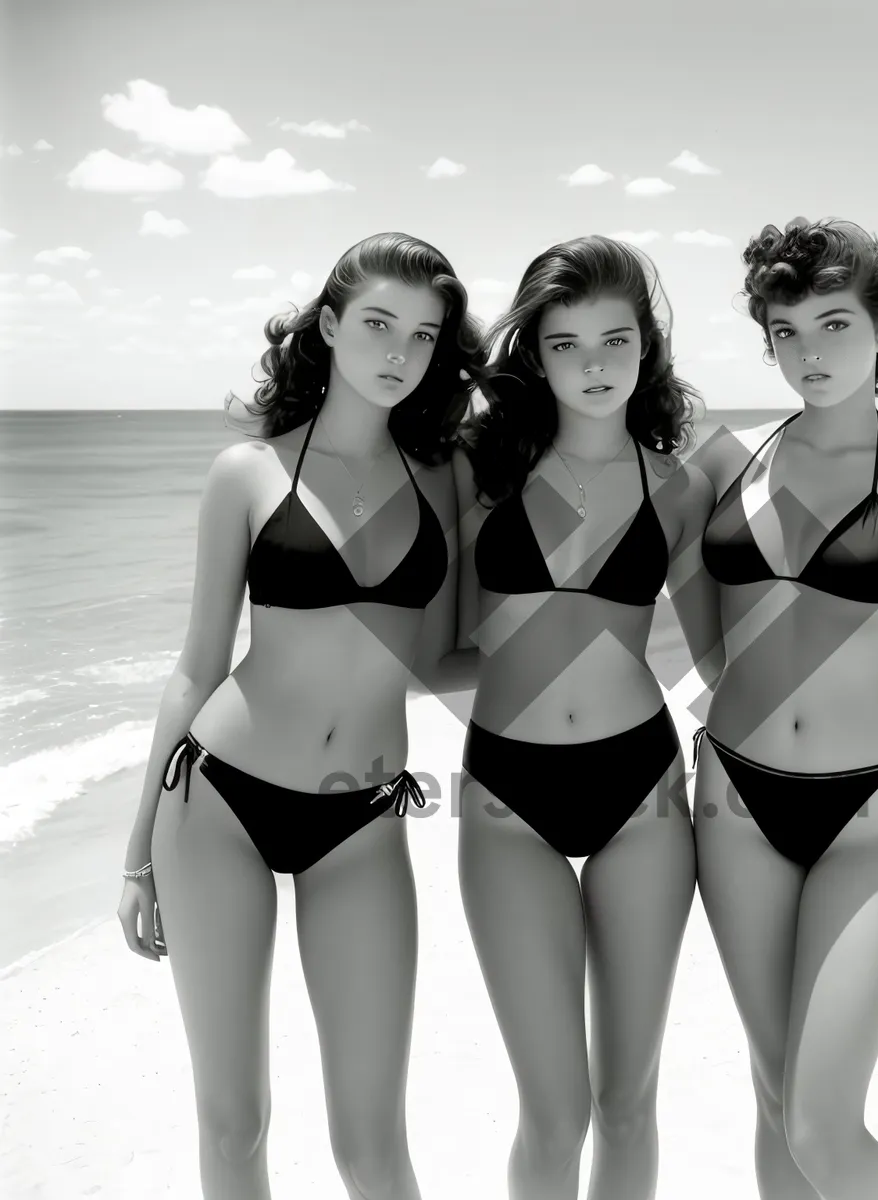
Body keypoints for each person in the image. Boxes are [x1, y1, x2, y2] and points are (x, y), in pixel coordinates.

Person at [116, 232, 484, 1200]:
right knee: (234, 1124)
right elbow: (195, 670)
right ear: (328, 326)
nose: (399, 352)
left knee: (372, 1142)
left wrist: (584, 658)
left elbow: (442, 656)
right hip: (218, 806)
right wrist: (136, 850)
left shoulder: (443, 476)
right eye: (376, 324)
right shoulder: (246, 474)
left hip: (360, 816)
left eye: (422, 334)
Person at [693, 217, 878, 1200]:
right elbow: (701, 630)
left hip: (875, 813)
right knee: (774, 1095)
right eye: (784, 331)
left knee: (825, 1126)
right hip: (733, 801)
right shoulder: (724, 463)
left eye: (832, 324)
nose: (808, 354)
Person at [440, 235, 721, 1200]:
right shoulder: (481, 470)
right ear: (536, 354)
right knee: (554, 1114)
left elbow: (720, 656)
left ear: (649, 347)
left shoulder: (679, 487)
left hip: (641, 787)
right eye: (566, 345)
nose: (595, 365)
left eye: (616, 340)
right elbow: (420, 627)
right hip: (505, 794)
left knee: (628, 1102)